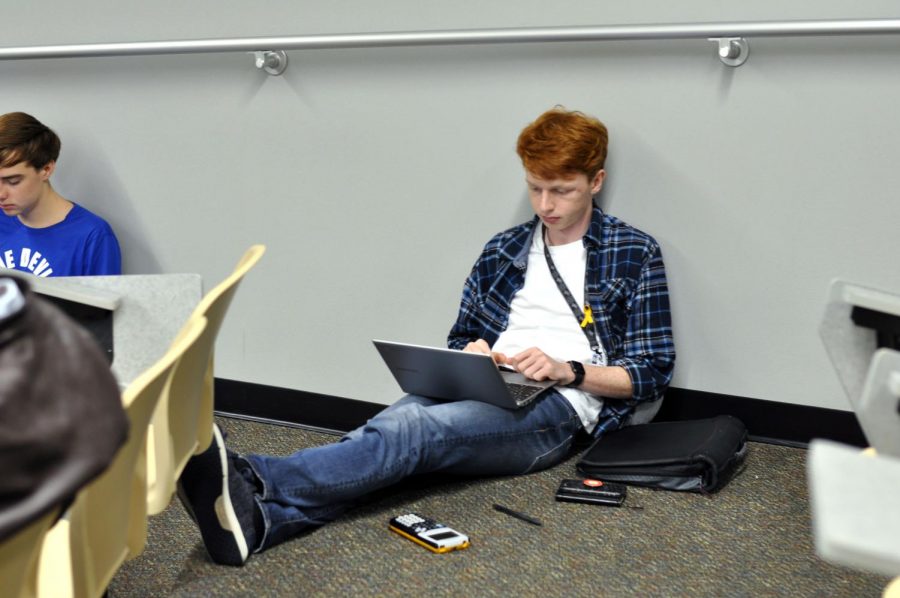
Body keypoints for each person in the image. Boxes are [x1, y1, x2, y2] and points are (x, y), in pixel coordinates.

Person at [177, 107, 676, 566]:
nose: (545, 204)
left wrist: (567, 370)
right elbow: (462, 334)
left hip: (561, 407)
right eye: (534, 188)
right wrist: (474, 352)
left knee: (409, 434)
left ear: (596, 182)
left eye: (561, 190)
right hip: (490, 379)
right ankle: (261, 523)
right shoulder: (504, 249)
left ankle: (250, 475)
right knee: (386, 439)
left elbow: (652, 372)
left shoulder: (633, 252)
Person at [0, 112, 121, 277]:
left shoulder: (92, 236)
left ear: (46, 170)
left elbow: (102, 302)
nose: (1, 194)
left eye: (13, 181)